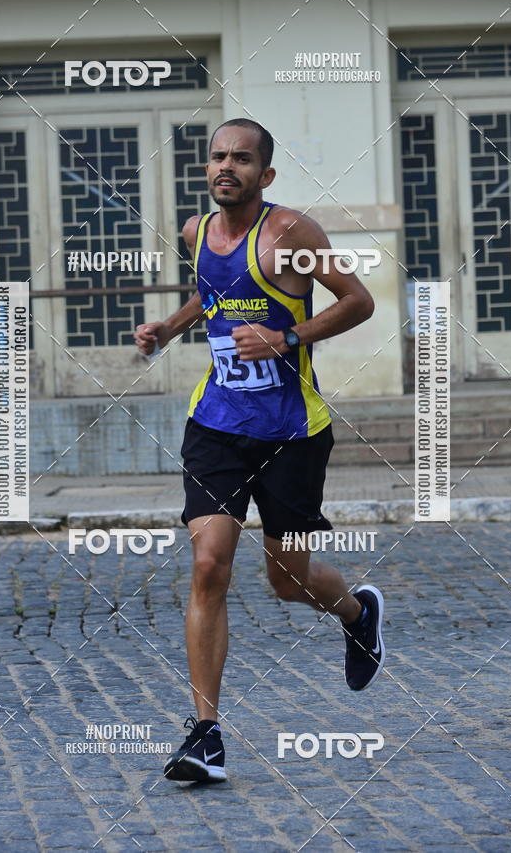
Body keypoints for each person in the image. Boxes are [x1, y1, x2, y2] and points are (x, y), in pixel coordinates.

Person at [134, 118, 385, 783]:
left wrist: (287, 338)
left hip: (292, 434)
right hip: (215, 425)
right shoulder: (196, 232)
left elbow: (358, 302)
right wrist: (169, 327)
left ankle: (358, 613)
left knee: (287, 577)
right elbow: (210, 293)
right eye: (218, 156)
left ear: (264, 174)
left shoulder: (291, 234)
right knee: (210, 562)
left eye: (241, 159)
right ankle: (205, 734)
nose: (227, 167)